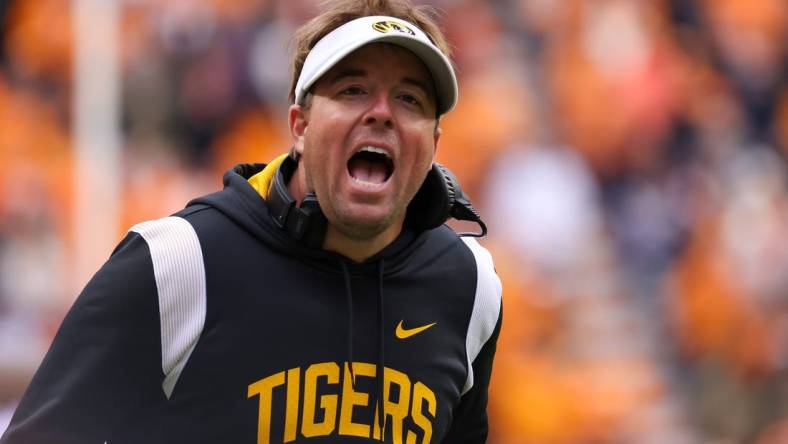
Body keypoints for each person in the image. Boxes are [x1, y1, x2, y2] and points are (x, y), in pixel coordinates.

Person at [0, 0, 502, 442]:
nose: (382, 113)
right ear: (299, 127)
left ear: (434, 142)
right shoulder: (179, 262)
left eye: (410, 99)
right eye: (352, 90)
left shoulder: (470, 289)